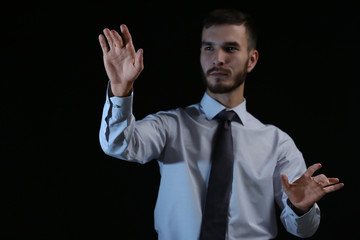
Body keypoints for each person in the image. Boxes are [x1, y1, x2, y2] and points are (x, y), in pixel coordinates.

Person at [98, 8, 344, 240]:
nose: (218, 59)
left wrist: (299, 208)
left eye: (230, 48)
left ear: (251, 59)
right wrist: (121, 90)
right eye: (209, 48)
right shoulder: (171, 126)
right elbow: (118, 144)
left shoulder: (278, 143)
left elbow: (304, 230)